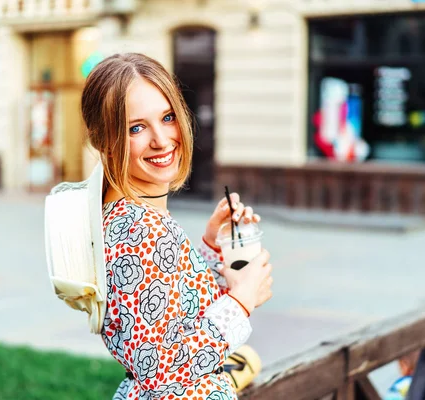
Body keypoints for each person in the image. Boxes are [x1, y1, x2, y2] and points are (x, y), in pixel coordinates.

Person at [62, 52, 273, 400]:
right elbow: (161, 368)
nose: (161, 140)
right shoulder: (139, 229)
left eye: (168, 117)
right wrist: (241, 300)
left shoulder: (129, 217)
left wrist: (208, 245)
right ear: (103, 141)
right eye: (136, 127)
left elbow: (168, 314)